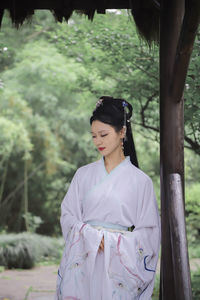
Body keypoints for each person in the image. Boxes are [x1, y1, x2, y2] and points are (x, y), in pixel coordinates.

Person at [55, 96, 161, 300]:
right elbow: (68, 215)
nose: (98, 141)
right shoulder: (83, 175)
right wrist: (90, 236)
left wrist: (112, 243)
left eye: (103, 134)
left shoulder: (141, 181)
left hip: (118, 269)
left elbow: (149, 233)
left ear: (122, 132)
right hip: (84, 261)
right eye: (94, 136)